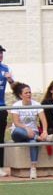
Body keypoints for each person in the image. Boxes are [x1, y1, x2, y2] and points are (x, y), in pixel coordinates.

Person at [9, 82, 50, 179]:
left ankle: (33, 169)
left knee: (33, 142)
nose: (29, 94)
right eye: (26, 93)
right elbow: (16, 122)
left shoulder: (37, 104)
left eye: (29, 92)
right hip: (20, 132)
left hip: (33, 132)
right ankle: (38, 138)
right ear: (20, 95)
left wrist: (45, 131)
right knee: (19, 131)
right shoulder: (16, 105)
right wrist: (26, 128)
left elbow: (43, 120)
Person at [0, 45, 14, 176]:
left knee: (0, 137)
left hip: (1, 107)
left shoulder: (5, 69)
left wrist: (10, 80)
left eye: (1, 53)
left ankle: (0, 166)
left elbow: (15, 87)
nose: (0, 55)